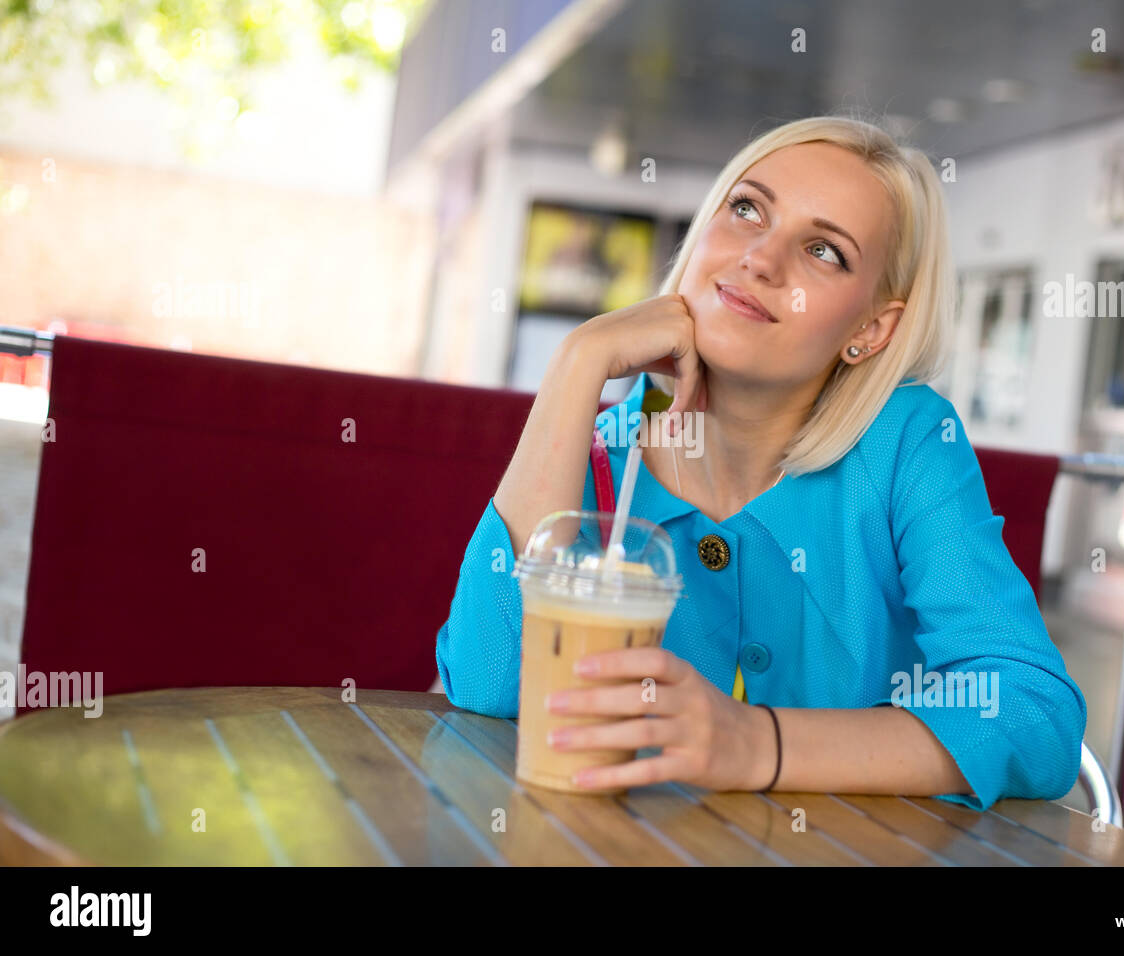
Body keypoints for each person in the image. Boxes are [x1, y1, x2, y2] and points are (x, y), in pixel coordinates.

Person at [435, 114, 1086, 809]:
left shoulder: (908, 443)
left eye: (824, 251)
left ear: (870, 329)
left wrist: (758, 743)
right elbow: (487, 683)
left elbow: (1033, 712)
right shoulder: (597, 458)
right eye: (747, 209)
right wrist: (578, 362)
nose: (761, 260)